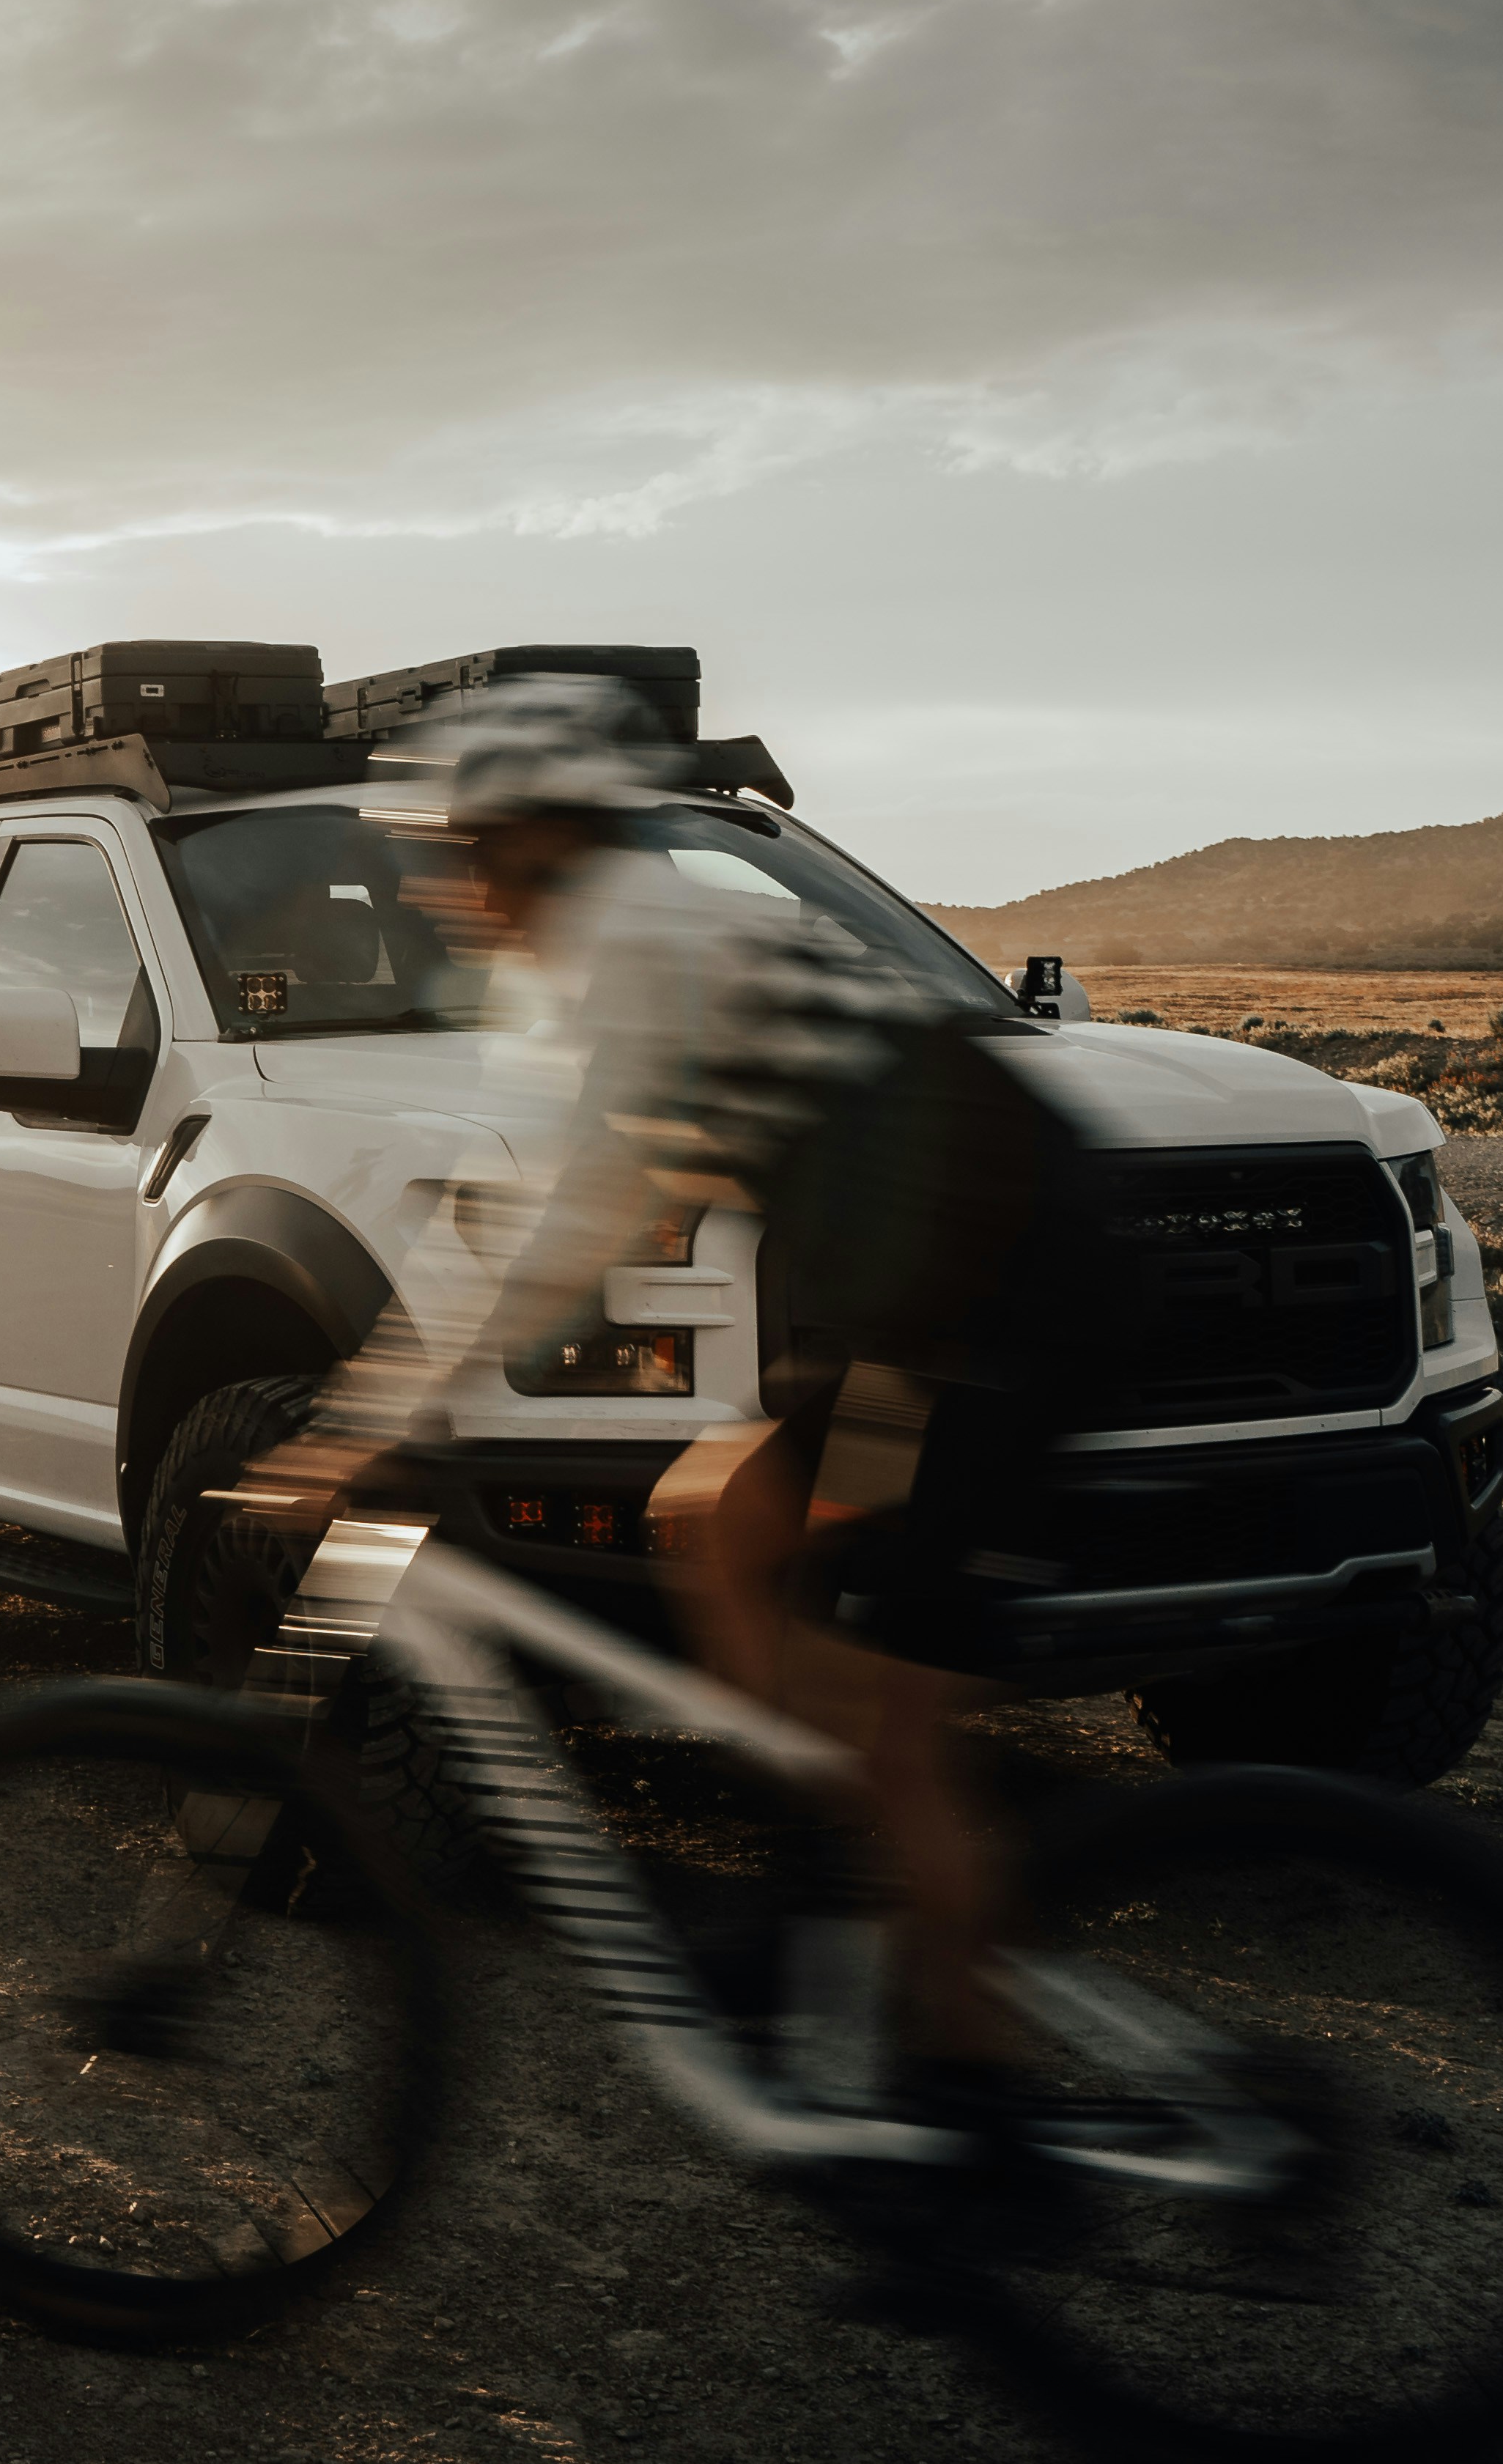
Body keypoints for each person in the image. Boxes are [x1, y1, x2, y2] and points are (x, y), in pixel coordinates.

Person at [272, 675, 1074, 2093]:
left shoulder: (629, 941)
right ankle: (817, 1900)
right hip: (932, 1289)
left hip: (979, 1302)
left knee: (885, 1719)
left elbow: (571, 1221)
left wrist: (377, 1421)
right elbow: (593, 1214)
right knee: (723, 1522)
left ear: (527, 842)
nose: (443, 889)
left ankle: (976, 2087)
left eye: (451, 854)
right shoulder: (645, 935)